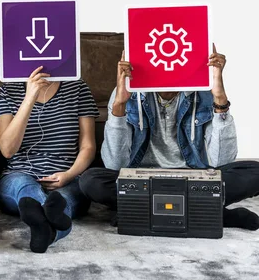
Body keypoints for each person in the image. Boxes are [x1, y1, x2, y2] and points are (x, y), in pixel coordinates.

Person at [79, 45, 259, 230]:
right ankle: (213, 214)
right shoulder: (126, 94)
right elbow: (114, 165)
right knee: (90, 180)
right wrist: (119, 105)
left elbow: (221, 161)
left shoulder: (204, 93)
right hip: (141, 179)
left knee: (255, 172)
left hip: (192, 178)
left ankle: (138, 212)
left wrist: (220, 100)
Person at [0, 66, 99, 253]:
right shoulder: (8, 89)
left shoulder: (78, 88)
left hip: (68, 177)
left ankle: (44, 229)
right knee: (26, 189)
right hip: (20, 175)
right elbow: (7, 150)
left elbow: (88, 146)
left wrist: (69, 175)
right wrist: (30, 97)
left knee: (61, 200)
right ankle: (52, 229)